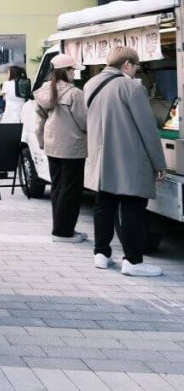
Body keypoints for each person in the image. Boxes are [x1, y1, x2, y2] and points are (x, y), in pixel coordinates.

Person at [84, 47, 167, 277]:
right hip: (129, 159)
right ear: (127, 65)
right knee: (132, 209)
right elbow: (148, 129)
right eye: (137, 67)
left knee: (104, 204)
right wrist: (159, 164)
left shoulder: (90, 85)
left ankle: (101, 254)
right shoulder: (132, 87)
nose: (137, 71)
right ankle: (133, 261)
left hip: (102, 158)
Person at [33, 54, 88, 243]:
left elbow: (39, 122)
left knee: (57, 188)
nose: (74, 73)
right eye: (73, 70)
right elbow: (84, 121)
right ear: (66, 71)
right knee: (71, 190)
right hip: (72, 147)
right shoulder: (74, 94)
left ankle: (61, 228)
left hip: (51, 145)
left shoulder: (44, 91)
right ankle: (63, 232)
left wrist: (41, 142)